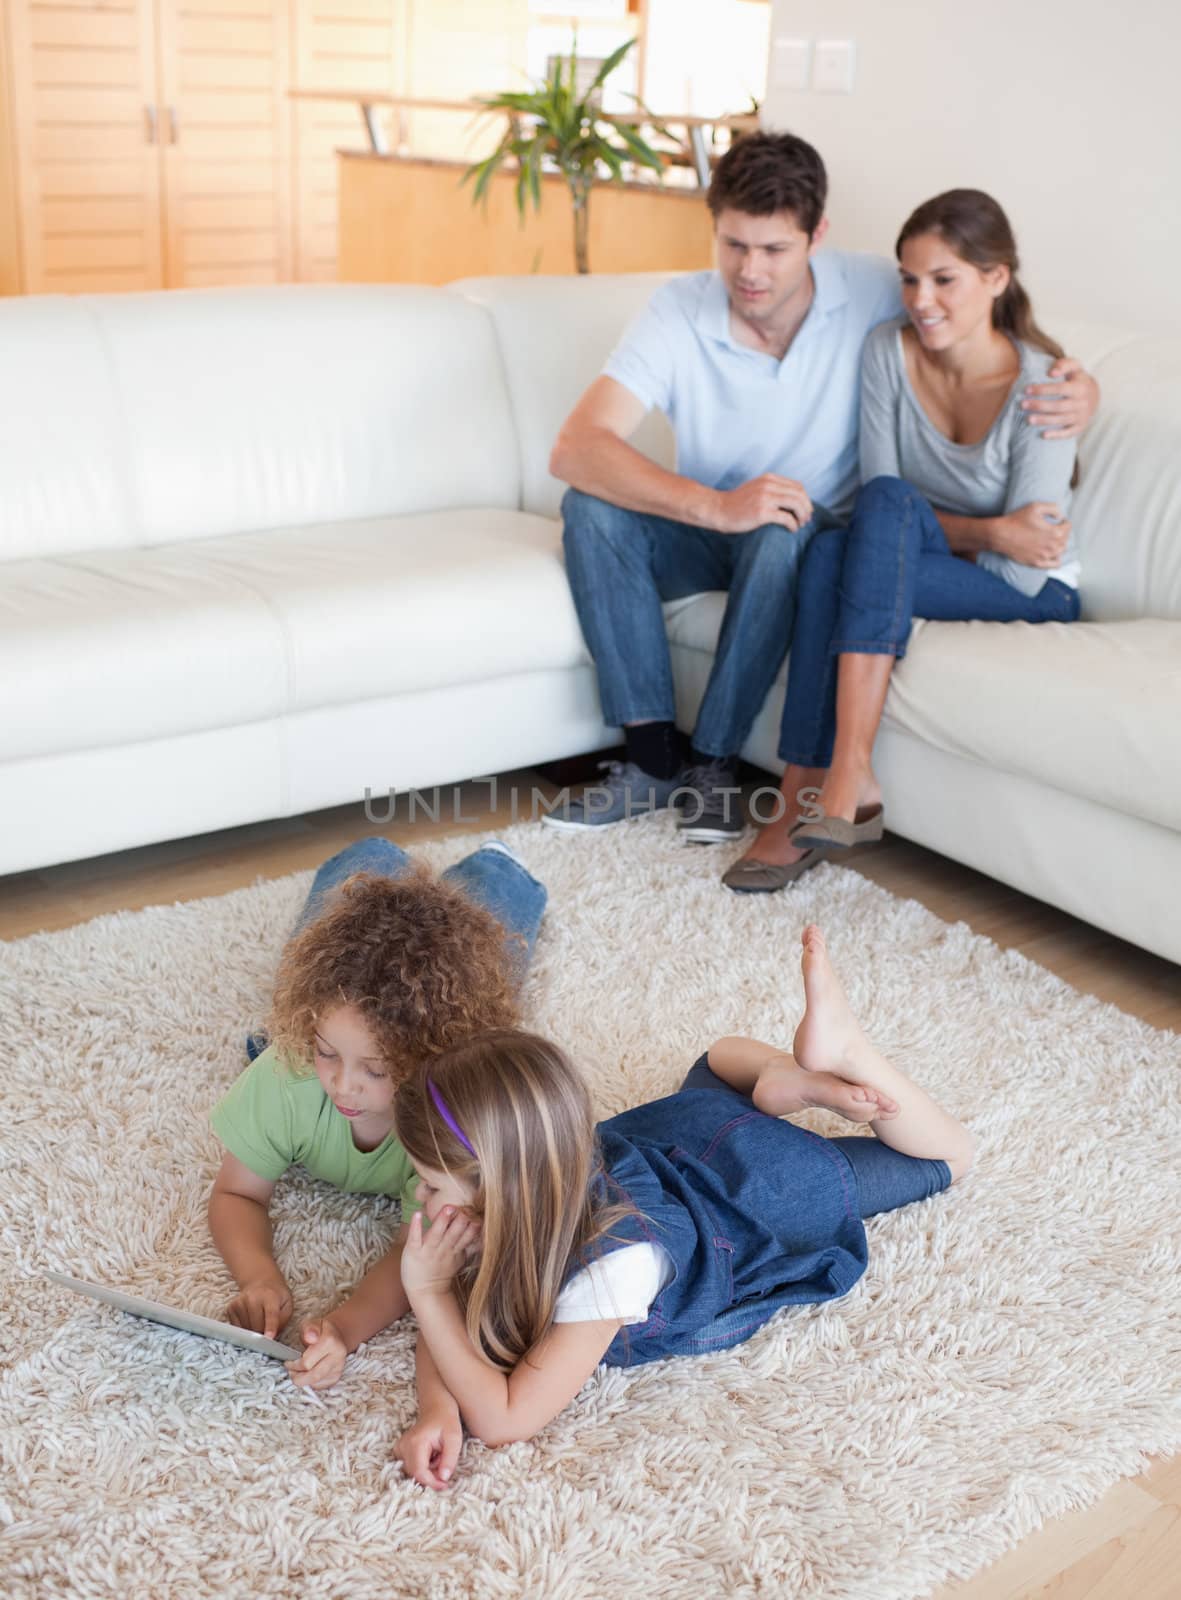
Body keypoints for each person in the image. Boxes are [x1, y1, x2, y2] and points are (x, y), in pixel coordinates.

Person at [545, 134, 1097, 848]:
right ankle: (651, 759)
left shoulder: (876, 290)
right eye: (733, 245)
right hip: (707, 523)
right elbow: (576, 447)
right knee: (589, 506)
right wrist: (714, 505)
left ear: (816, 238)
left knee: (785, 529)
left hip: (798, 533)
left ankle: (713, 767)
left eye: (773, 250)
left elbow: (979, 322)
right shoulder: (677, 310)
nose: (749, 270)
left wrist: (1081, 387)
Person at [392, 924, 973, 1481]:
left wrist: (427, 1290)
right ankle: (778, 1075)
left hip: (767, 1190)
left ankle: (848, 1051)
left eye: (433, 1184)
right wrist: (437, 1410)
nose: (421, 1197)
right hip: (689, 1136)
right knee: (714, 1061)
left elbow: (506, 1418)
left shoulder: (610, 1270)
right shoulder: (532, 1183)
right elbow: (460, 1323)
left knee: (948, 1157)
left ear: (506, 1186)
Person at [727, 189, 1082, 891]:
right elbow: (878, 505)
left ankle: (820, 786)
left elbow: (1022, 566)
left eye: (943, 278)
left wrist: (986, 543)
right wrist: (986, 530)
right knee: (844, 539)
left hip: (1033, 589)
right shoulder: (886, 352)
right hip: (925, 555)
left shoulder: (1044, 390)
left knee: (841, 554)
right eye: (909, 277)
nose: (921, 299)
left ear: (995, 279)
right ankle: (833, 781)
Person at [206, 834, 546, 1391]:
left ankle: (498, 861)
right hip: (316, 1006)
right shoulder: (286, 1070)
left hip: (456, 1031)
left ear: (430, 1056)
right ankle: (373, 851)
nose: (344, 1084)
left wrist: (344, 1327)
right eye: (326, 1052)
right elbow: (236, 1192)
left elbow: (421, 1252)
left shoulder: (454, 1125)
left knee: (492, 930)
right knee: (352, 887)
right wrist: (259, 1276)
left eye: (378, 1070)